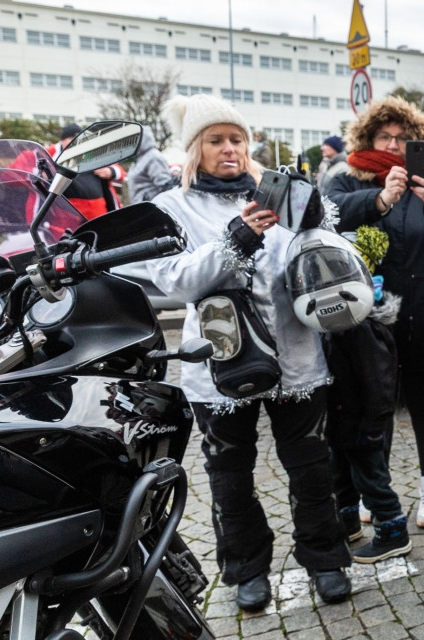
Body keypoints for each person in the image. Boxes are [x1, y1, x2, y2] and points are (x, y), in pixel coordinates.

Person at [146, 94, 352, 610]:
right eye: (215, 140)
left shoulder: (273, 194)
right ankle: (246, 570)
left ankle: (325, 559)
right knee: (230, 475)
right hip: (219, 367)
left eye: (236, 139)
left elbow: (322, 253)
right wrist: (237, 237)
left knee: (310, 466)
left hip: (297, 359)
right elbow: (175, 282)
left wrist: (311, 211)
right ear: (195, 149)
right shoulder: (171, 207)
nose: (229, 149)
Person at [326, 96, 424, 529]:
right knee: (373, 408)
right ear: (367, 138)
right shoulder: (349, 177)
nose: (393, 144)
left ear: (417, 142)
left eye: (402, 138)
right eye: (384, 136)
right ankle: (378, 491)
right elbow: (326, 215)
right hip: (370, 318)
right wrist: (379, 198)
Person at [325, 254, 411, 563]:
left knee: (370, 478)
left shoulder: (361, 328)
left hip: (364, 424)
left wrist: (373, 428)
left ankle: (393, 530)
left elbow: (378, 384)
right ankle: (347, 522)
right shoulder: (339, 323)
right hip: (343, 418)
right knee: (342, 474)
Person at [48, 123, 125, 219]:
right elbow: (30, 163)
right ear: (62, 141)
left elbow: (121, 172)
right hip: (66, 213)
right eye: (71, 143)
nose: (74, 147)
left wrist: (110, 171)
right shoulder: (51, 154)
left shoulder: (91, 152)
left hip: (100, 212)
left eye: (78, 142)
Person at [126, 126, 177, 203]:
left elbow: (165, 186)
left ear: (142, 138)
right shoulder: (138, 160)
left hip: (153, 208)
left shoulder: (153, 157)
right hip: (142, 209)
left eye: (134, 139)